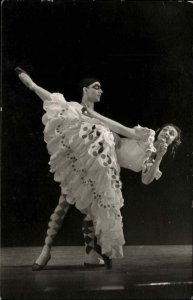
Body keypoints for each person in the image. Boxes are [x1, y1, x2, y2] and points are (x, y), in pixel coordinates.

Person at [15, 67, 181, 270]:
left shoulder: (154, 160)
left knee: (91, 212)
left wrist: (160, 157)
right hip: (95, 153)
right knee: (65, 199)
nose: (167, 133)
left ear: (173, 142)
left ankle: (90, 254)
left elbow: (146, 179)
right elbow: (120, 129)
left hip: (106, 170)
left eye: (171, 134)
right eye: (167, 129)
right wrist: (32, 85)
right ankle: (46, 250)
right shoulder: (146, 135)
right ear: (160, 129)